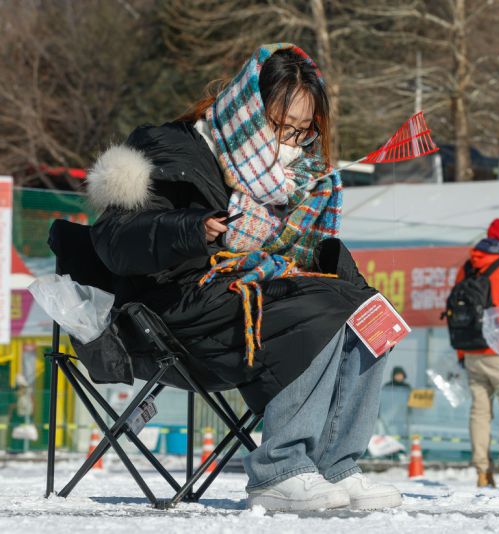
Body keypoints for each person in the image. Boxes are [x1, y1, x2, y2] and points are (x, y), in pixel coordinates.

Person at [86, 43, 401, 512]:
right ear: (249, 112)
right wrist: (190, 229)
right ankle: (280, 469)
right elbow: (113, 239)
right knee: (318, 308)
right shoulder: (170, 148)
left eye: (302, 131)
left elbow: (300, 251)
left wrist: (353, 284)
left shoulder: (297, 177)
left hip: (244, 297)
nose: (290, 142)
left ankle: (335, 464)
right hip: (171, 308)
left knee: (370, 313)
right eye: (279, 126)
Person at [449, 218, 499, 489]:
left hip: (471, 350)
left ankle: (482, 472)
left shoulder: (468, 267)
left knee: (480, 412)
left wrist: (462, 353)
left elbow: (456, 310)